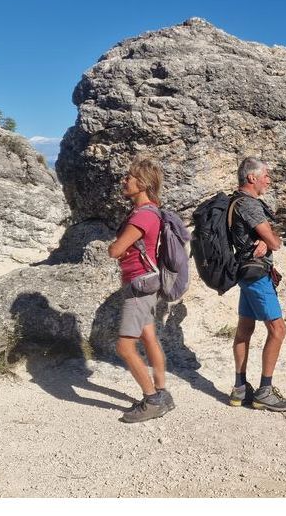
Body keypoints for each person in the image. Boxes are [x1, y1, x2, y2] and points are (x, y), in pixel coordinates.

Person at [107, 155, 175, 423]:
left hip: (138, 285)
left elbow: (116, 250)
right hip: (146, 283)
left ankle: (152, 400)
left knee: (124, 347)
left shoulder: (143, 215)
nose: (125, 181)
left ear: (143, 183)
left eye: (129, 177)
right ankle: (162, 392)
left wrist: (113, 247)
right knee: (149, 338)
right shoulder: (152, 212)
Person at [228, 157, 286, 412]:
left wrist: (266, 241)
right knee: (278, 330)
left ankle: (239, 390)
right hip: (257, 275)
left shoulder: (235, 202)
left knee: (244, 328)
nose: (269, 180)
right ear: (251, 178)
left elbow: (263, 239)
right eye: (265, 175)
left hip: (245, 273)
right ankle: (264, 392)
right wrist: (270, 241)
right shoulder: (250, 205)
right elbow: (276, 242)